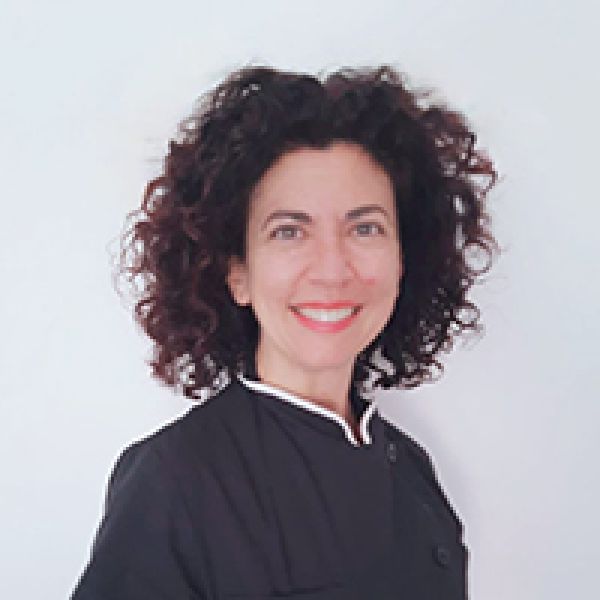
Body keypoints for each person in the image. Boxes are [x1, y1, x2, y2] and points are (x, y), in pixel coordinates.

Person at [71, 63, 499, 599]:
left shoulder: (412, 469)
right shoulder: (174, 479)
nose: (332, 270)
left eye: (365, 228)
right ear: (237, 274)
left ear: (403, 260)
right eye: (289, 231)